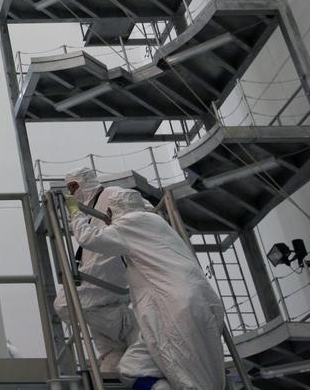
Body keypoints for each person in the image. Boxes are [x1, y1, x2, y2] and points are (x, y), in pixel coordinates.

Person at [70, 185, 226, 390]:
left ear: (112, 210)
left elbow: (90, 238)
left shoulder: (128, 224)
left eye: (107, 214)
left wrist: (75, 213)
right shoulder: (157, 221)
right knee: (131, 368)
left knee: (193, 380)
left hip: (172, 309)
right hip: (199, 300)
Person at [55, 167, 141, 373]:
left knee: (64, 305)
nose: (73, 191)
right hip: (96, 272)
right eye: (69, 188)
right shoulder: (89, 208)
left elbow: (139, 209)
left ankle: (126, 321)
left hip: (107, 269)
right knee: (109, 352)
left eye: (75, 186)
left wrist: (76, 213)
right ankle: (119, 364)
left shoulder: (111, 194)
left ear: (86, 181)